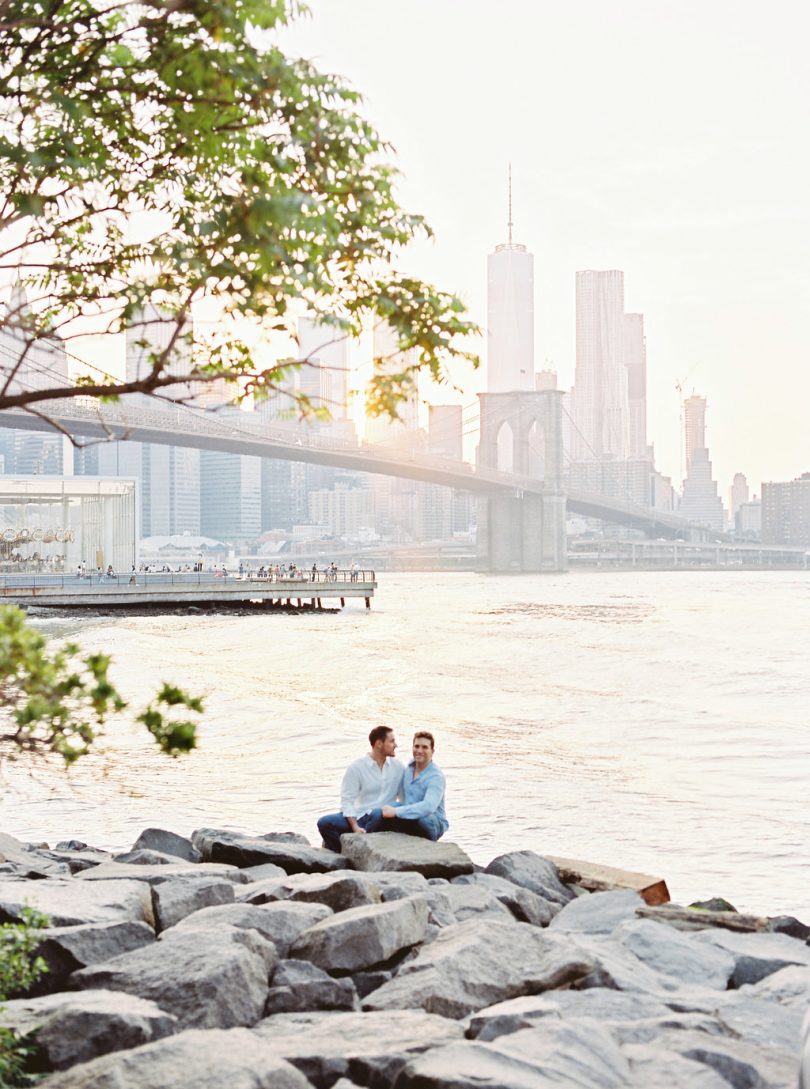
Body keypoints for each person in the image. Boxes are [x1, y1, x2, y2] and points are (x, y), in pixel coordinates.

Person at [317, 726, 405, 852]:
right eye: (391, 741)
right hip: (360, 816)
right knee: (324, 823)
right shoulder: (357, 767)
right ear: (379, 744)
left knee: (377, 814)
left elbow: (404, 798)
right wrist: (355, 827)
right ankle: (343, 856)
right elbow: (347, 800)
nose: (395, 745)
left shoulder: (398, 767)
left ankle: (364, 849)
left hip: (382, 818)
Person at [365, 730, 449, 841]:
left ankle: (424, 848)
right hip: (408, 814)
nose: (419, 751)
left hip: (431, 821)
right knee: (377, 813)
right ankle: (368, 844)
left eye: (424, 747)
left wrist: (395, 812)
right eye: (416, 746)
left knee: (423, 820)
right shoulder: (410, 767)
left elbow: (428, 807)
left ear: (432, 751)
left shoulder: (436, 777)